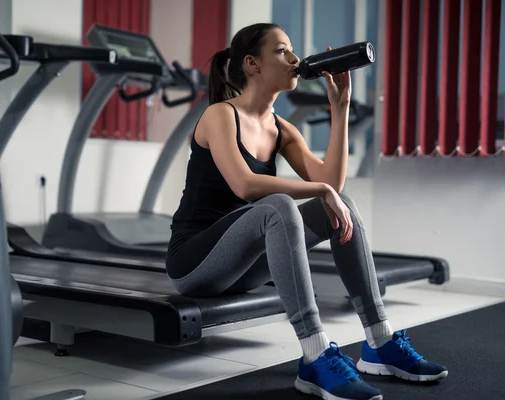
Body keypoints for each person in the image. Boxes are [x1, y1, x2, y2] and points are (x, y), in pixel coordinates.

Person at [165, 23, 448, 400]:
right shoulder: (221, 116)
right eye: (282, 51)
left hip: (244, 267)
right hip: (195, 263)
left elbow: (332, 182)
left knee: (342, 204)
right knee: (278, 206)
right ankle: (315, 354)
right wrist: (320, 190)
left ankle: (379, 340)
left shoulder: (281, 129)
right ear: (253, 64)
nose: (296, 60)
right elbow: (245, 185)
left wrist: (340, 108)